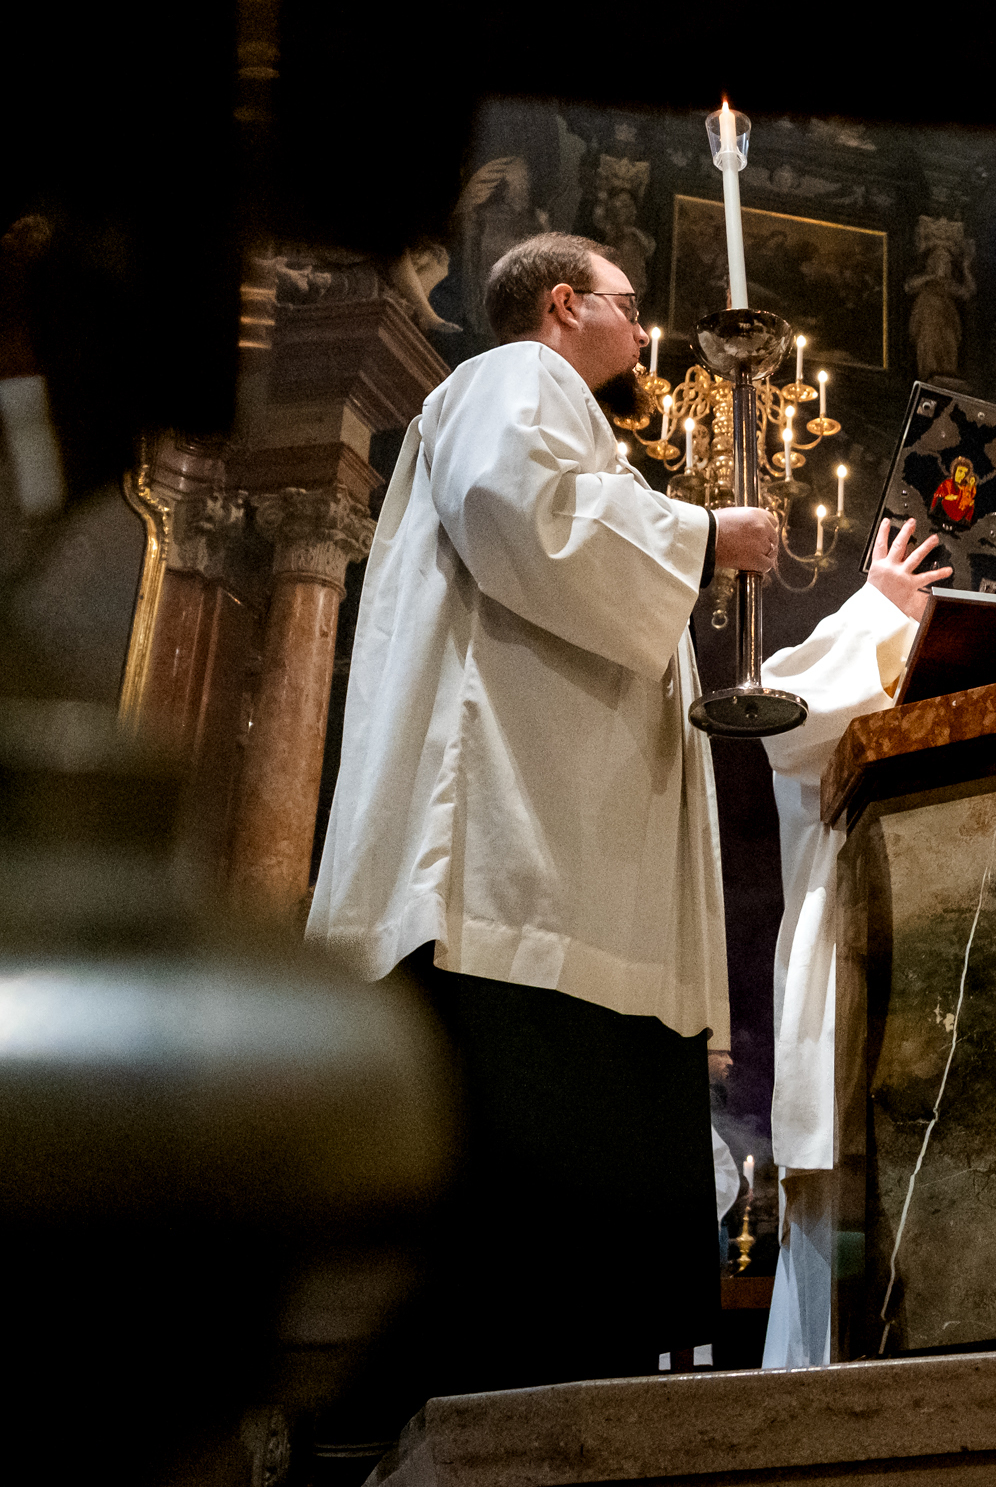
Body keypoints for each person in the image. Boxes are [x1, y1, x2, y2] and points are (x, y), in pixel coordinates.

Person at [305, 232, 780, 1428]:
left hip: (565, 872)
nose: (644, 328)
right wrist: (699, 535)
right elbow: (512, 508)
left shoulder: (561, 410)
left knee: (552, 1290)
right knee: (519, 1266)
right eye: (629, 303)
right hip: (510, 864)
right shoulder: (516, 376)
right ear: (564, 303)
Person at [751, 517, 951, 1367]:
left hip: (944, 1011)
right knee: (835, 1306)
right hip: (857, 1000)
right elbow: (778, 709)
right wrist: (877, 610)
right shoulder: (840, 675)